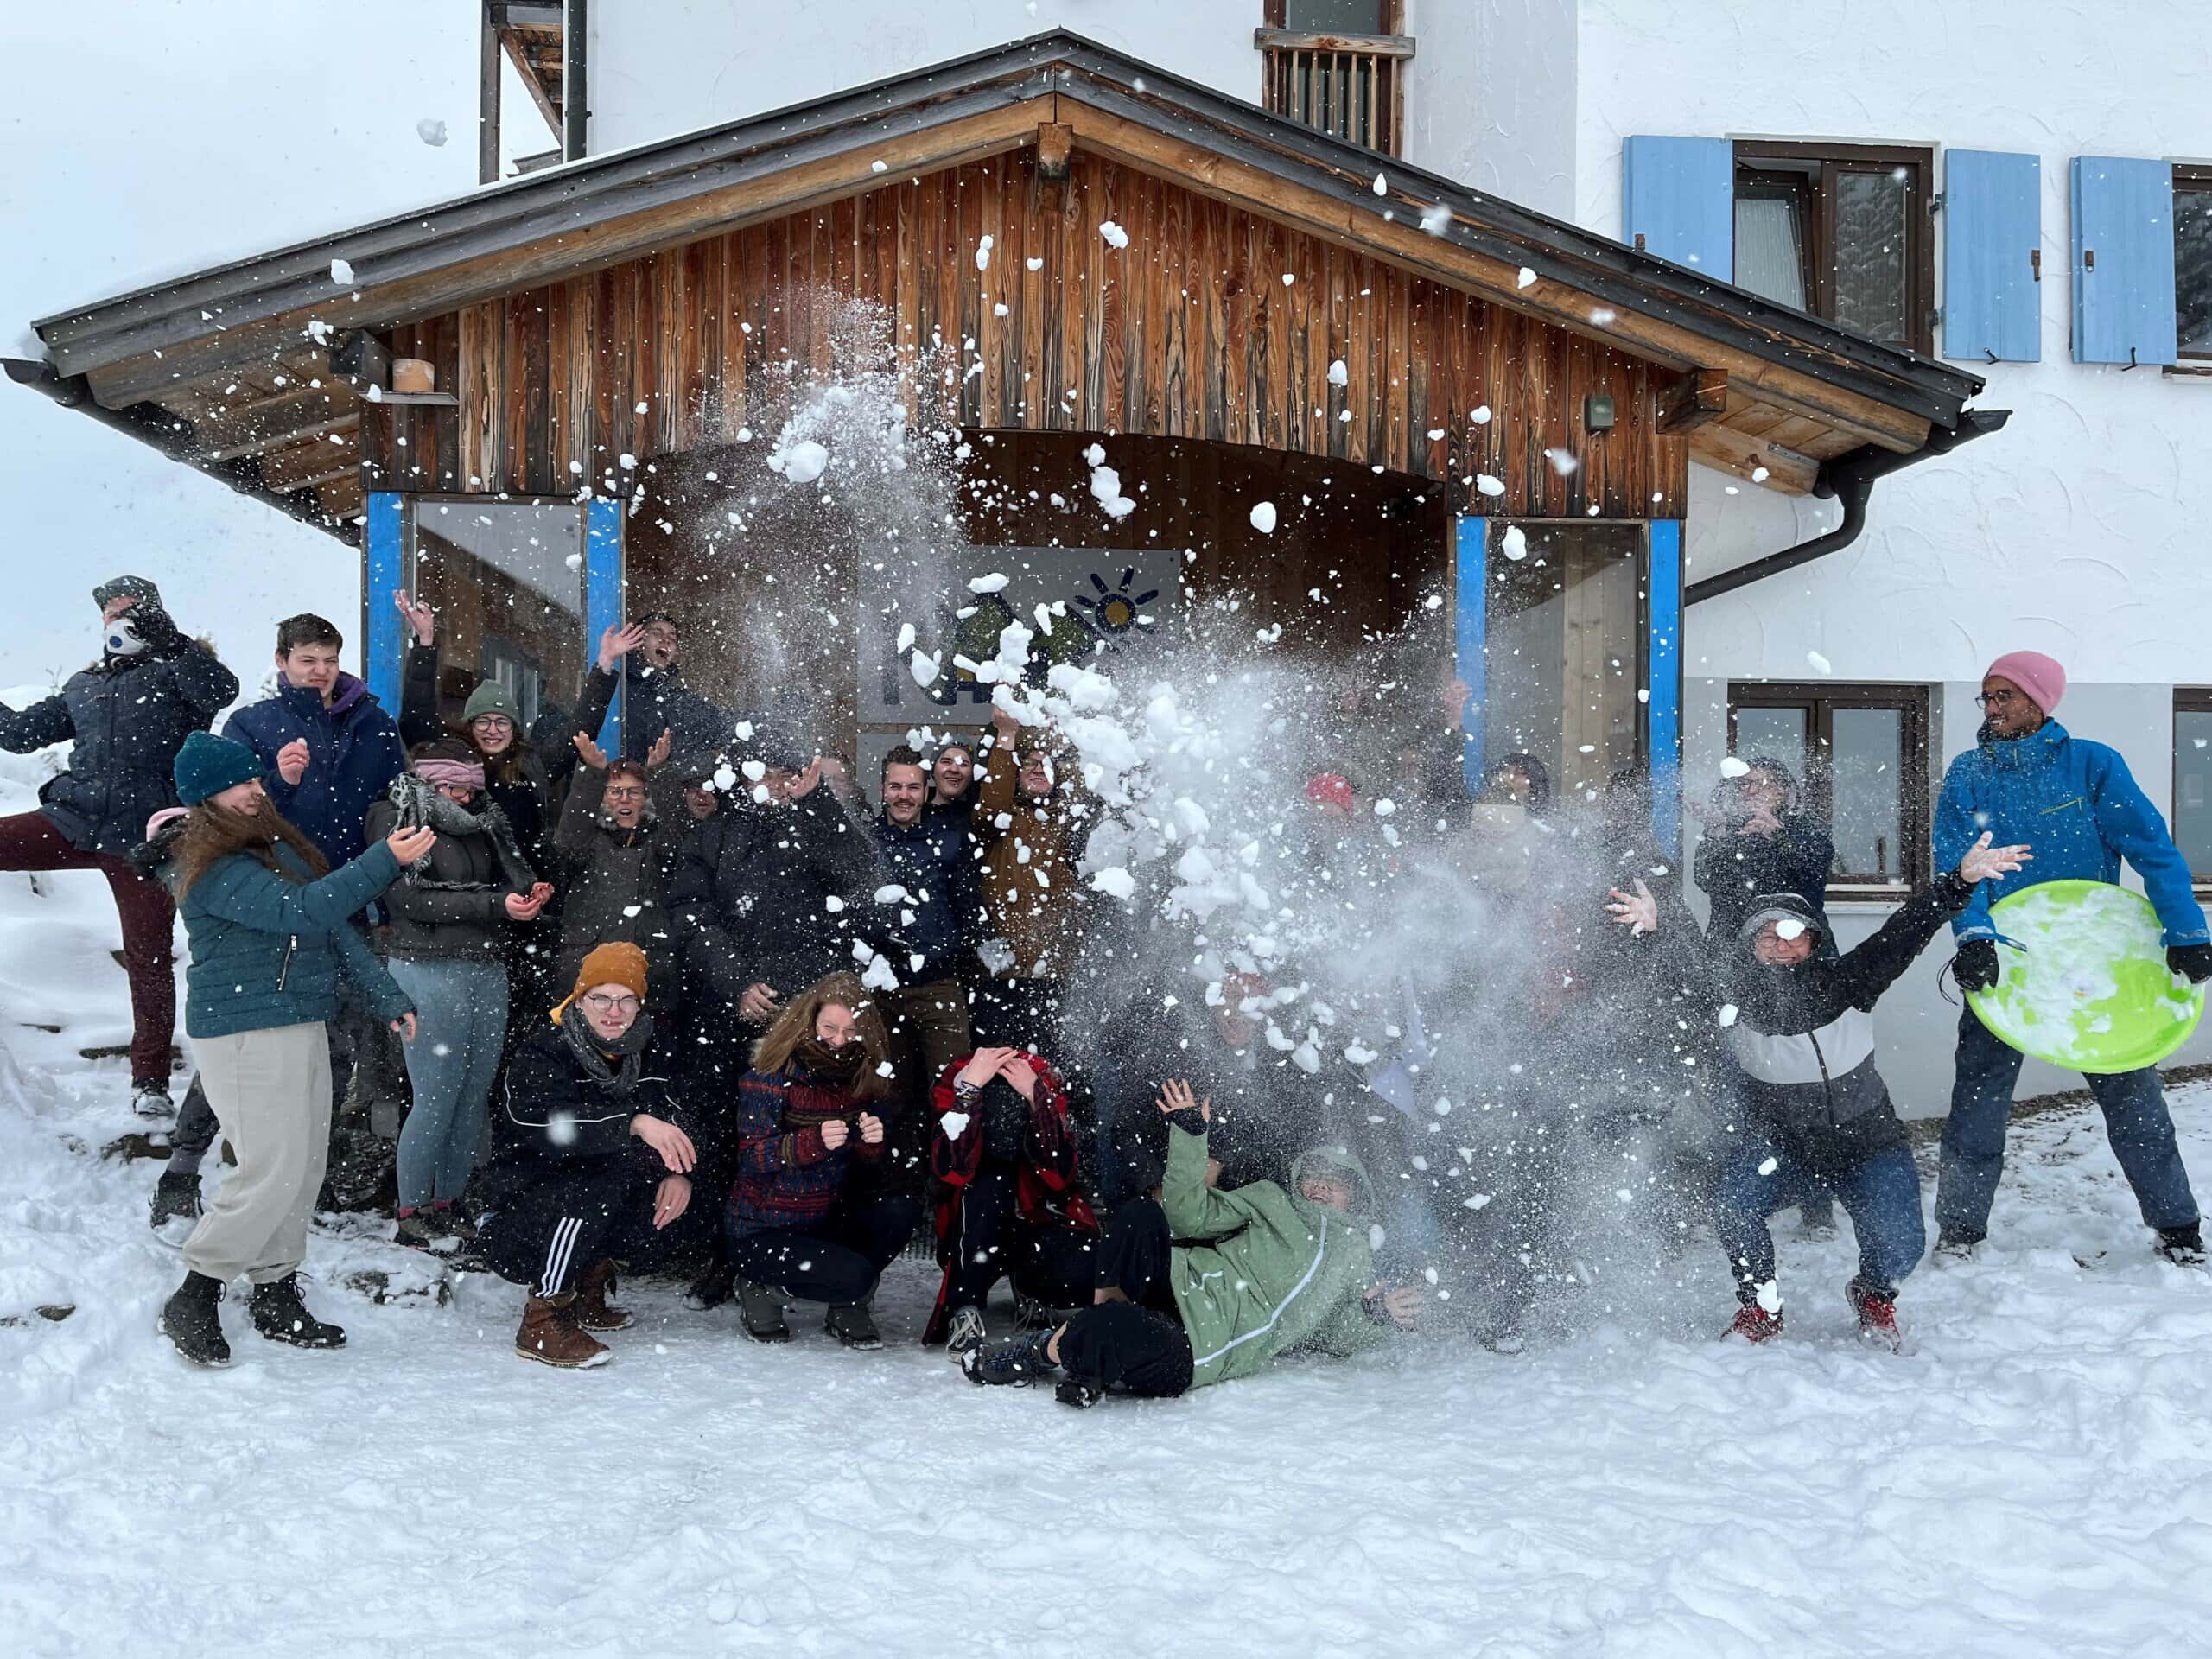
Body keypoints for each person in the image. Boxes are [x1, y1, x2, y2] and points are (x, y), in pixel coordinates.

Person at [1611, 831, 2030, 1350]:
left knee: (1903, 1246)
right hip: (1780, 1146)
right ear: (1750, 944)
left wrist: (1959, 883)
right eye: (1768, 935)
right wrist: (1660, 927)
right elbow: (1690, 967)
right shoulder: (1734, 995)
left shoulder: (1850, 981)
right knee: (1734, 1207)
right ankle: (1761, 1308)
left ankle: (1874, 1293)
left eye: (1794, 933)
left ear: (1813, 939)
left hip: (1867, 1142)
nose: (1783, 945)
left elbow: (1905, 930)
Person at [156, 732, 429, 1367]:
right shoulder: (206, 863)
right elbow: (305, 910)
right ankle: (196, 1292)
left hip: (300, 1019)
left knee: (302, 1167)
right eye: (241, 784)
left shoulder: (270, 844)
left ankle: (275, 1289)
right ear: (206, 796)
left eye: (257, 779)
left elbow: (332, 929)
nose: (257, 790)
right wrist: (384, 859)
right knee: (269, 1168)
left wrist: (386, 996)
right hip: (244, 1029)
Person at [1933, 652, 2209, 1265]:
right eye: (1987, 696)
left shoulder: (2091, 764)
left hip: (2094, 965)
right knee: (1978, 1103)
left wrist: (2185, 928)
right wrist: (1973, 936)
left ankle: (2178, 1227)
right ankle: (1959, 1233)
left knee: (2134, 1101)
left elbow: (2153, 849)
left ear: (2040, 700)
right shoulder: (1969, 774)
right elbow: (1958, 865)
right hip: (2005, 964)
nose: (1993, 708)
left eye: (2005, 695)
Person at [964, 1081, 1422, 1407]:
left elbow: (1337, 1334)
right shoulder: (1271, 1199)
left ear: (1355, 1196)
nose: (1320, 1186)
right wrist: (1189, 1135)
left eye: (1335, 1183)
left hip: (1202, 1344)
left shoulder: (1353, 1255)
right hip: (1177, 1282)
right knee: (1140, 1214)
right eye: (1313, 1176)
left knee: (1117, 1328)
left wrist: (1375, 1315)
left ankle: (1046, 1351)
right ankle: (1094, 1350)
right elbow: (1187, 1215)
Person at [0, 575, 238, 1116]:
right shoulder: (85, 684)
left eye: (129, 610)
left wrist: (172, 641)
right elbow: (18, 734)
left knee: (148, 957)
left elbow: (220, 691)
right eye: (110, 612)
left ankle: (150, 1081)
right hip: (73, 818)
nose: (118, 619)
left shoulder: (179, 669)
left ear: (154, 613)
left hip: (145, 838)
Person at [476, 943, 698, 1369]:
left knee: (679, 1199)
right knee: (597, 1177)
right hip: (522, 1210)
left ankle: (587, 1282)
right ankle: (544, 1316)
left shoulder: (652, 1049)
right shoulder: (542, 1050)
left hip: (595, 1197)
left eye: (626, 999)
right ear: (580, 999)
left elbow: (684, 1115)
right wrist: (632, 1122)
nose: (614, 1011)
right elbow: (543, 1124)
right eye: (601, 998)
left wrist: (680, 1173)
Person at [365, 741, 550, 1247]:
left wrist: (525, 894)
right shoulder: (398, 817)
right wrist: (494, 904)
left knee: (472, 1094)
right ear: (427, 781)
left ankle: (449, 1200)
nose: (464, 797)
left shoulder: (483, 822)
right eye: (452, 787)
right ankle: (412, 1209)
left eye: (470, 787)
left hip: (484, 965)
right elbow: (408, 900)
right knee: (435, 1095)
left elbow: (499, 884)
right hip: (425, 965)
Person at [721, 974, 918, 1349]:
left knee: (900, 1209)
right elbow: (751, 1157)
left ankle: (847, 1303)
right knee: (854, 1276)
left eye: (850, 1030)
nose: (840, 1040)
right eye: (829, 1028)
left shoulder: (866, 1072)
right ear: (809, 1021)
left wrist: (872, 1142)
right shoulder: (771, 1071)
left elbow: (867, 1167)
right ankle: (761, 1286)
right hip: (763, 1229)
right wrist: (809, 1142)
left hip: (826, 1218)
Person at [665, 740, 876, 1053]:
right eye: (765, 775)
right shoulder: (711, 836)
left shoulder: (817, 824)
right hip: (728, 1002)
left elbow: (858, 873)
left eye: (785, 775)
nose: (775, 786)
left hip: (810, 1001)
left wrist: (818, 801)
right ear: (745, 779)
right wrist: (736, 982)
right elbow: (692, 916)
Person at [922, 1046, 1101, 1357]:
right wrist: (970, 1090)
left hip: (1035, 1222)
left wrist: (1036, 1096)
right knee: (987, 1186)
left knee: (1083, 1272)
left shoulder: (1046, 1096)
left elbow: (1061, 1173)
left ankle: (1031, 1287)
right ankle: (965, 1307)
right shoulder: (961, 1094)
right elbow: (950, 1168)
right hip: (974, 1229)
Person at [221, 613, 407, 870]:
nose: (321, 671)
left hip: (366, 878)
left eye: (330, 661)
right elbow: (229, 810)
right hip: (280, 879)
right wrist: (282, 781)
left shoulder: (375, 723)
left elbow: (397, 799)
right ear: (281, 660)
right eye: (308, 660)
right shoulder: (247, 724)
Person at [869, 744, 981, 1145]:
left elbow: (968, 907)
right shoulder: (864, 839)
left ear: (926, 790)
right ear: (882, 789)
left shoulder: (950, 839)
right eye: (896, 786)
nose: (904, 796)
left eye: (913, 787)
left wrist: (960, 956)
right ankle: (896, 1177)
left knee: (954, 1094)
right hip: (880, 990)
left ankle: (949, 1178)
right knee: (886, 1096)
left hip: (939, 986)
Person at [970, 704, 1096, 1053]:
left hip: (1055, 973)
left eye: (1047, 765)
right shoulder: (1000, 821)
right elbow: (993, 801)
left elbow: (1084, 784)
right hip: (1000, 973)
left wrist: (1066, 732)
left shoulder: (1069, 821)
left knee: (1051, 1072)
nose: (1039, 769)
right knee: (997, 1066)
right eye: (1030, 765)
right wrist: (1006, 734)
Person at [553, 731, 684, 1002]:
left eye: (634, 791)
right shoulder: (586, 839)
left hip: (652, 969)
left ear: (646, 798)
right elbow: (567, 843)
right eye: (614, 791)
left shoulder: (659, 840)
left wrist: (660, 771)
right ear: (601, 798)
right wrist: (592, 773)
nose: (624, 799)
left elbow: (675, 836)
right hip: (585, 965)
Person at [1694, 757, 1834, 944]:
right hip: (1731, 943)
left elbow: (1814, 867)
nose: (1751, 791)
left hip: (1794, 944)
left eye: (1763, 784)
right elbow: (1705, 880)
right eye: (1744, 784)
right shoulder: (1728, 829)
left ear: (1782, 791)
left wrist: (1778, 835)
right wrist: (1715, 834)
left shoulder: (1805, 827)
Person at [618, 612, 738, 761]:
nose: (665, 640)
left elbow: (720, 723)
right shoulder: (618, 684)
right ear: (637, 643)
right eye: (656, 633)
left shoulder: (676, 698)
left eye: (672, 638)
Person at [928, 739, 978, 815]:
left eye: (963, 764)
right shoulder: (915, 814)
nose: (954, 769)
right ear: (933, 768)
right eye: (946, 762)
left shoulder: (981, 817)